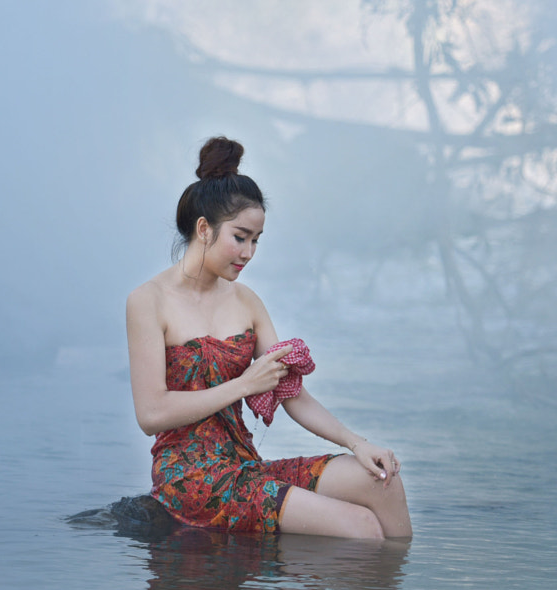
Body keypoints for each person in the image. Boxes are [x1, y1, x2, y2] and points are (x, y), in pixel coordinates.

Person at [126, 136, 412, 539]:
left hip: (244, 464)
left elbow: (290, 393)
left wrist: (356, 443)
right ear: (204, 229)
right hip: (190, 478)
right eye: (239, 237)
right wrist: (243, 385)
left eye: (256, 240)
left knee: (381, 480)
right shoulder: (147, 301)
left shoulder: (248, 302)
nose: (248, 252)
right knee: (361, 528)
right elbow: (151, 414)